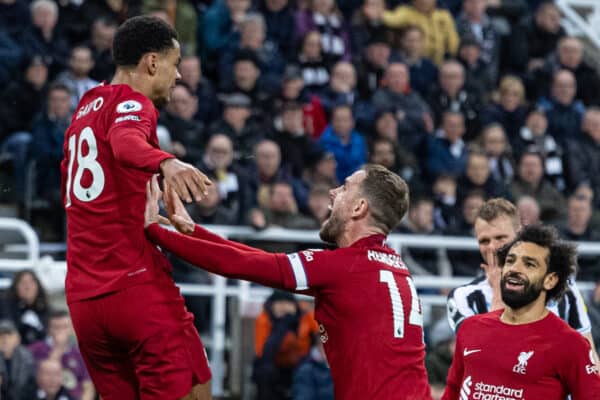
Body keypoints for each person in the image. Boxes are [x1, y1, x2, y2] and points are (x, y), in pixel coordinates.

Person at [144, 164, 432, 399]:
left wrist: (154, 230)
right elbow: (258, 259)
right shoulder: (391, 266)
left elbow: (241, 264)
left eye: (344, 187)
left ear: (359, 207)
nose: (332, 192)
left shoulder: (344, 267)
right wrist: (194, 231)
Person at [59, 16, 212, 400]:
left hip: (84, 299)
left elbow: (99, 180)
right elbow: (126, 143)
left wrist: (144, 197)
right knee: (195, 385)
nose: (178, 77)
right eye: (175, 65)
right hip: (133, 286)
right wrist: (167, 163)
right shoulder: (132, 102)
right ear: (152, 63)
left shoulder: (85, 107)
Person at [442, 224, 600, 399]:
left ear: (550, 280)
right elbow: (452, 392)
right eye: (510, 261)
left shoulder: (570, 344)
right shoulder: (470, 328)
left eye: (529, 264)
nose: (514, 269)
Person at [446, 198, 598, 359]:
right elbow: (479, 357)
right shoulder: (463, 297)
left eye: (500, 238)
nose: (492, 247)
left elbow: (588, 353)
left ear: (519, 235)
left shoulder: (561, 283)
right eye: (484, 241)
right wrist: (499, 290)